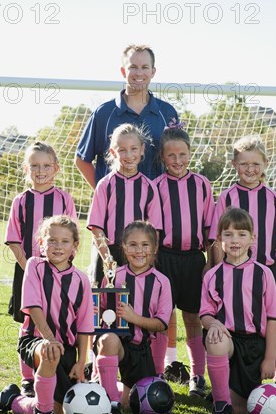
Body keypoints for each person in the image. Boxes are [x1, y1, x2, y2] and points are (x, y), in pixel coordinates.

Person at [0, 215, 94, 414]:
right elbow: (33, 307)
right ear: (41, 243)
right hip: (35, 340)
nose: (58, 246)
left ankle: (13, 400)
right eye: (51, 240)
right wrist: (49, 338)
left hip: (65, 348)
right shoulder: (35, 266)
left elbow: (84, 326)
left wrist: (81, 362)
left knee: (60, 412)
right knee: (50, 353)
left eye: (65, 241)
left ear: (75, 246)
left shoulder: (81, 280)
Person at [208, 135, 276, 394]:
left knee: (273, 325)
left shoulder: (273, 198)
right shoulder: (226, 197)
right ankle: (225, 383)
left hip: (266, 270)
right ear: (234, 164)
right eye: (244, 164)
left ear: (265, 164)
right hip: (232, 271)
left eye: (256, 164)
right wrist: (215, 270)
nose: (250, 169)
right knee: (231, 325)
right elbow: (215, 238)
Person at [4, 141, 77, 397]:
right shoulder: (21, 201)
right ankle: (27, 378)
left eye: (46, 165)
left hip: (60, 274)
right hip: (27, 272)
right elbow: (14, 240)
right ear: (27, 169)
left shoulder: (64, 198)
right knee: (27, 323)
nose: (41, 170)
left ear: (55, 169)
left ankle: (59, 367)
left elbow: (72, 237)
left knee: (57, 319)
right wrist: (31, 270)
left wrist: (61, 268)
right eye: (34, 165)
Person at [200, 208, 276, 414]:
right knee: (215, 338)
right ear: (219, 239)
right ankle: (220, 406)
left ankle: (224, 393)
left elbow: (273, 319)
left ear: (252, 239)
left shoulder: (263, 274)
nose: (235, 240)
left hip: (254, 346)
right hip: (228, 340)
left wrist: (270, 360)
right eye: (228, 234)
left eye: (241, 234)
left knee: (244, 410)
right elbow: (205, 314)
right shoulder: (212, 275)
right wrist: (213, 323)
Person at [153, 124, 215, 395]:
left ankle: (197, 377)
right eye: (171, 155)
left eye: (182, 154)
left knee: (193, 318)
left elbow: (210, 230)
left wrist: (211, 265)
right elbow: (153, 230)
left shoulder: (202, 184)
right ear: (162, 157)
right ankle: (158, 374)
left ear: (190, 153)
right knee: (161, 318)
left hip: (193, 260)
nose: (177, 161)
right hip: (164, 259)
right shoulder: (155, 186)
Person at [95, 220, 173, 414]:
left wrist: (134, 318)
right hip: (118, 346)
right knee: (109, 339)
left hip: (141, 350)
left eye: (145, 245)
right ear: (124, 247)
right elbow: (102, 312)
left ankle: (107, 385)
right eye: (133, 245)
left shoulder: (161, 282)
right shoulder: (113, 277)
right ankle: (110, 405)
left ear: (155, 248)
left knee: (130, 404)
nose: (139, 251)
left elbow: (162, 324)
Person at [75, 44, 179, 187]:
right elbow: (81, 160)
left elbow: (177, 159)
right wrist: (104, 194)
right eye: (133, 67)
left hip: (157, 204)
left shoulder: (167, 113)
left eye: (144, 67)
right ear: (123, 71)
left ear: (153, 72)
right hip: (115, 206)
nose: (139, 73)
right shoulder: (104, 113)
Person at [87, 123, 162, 288]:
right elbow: (96, 227)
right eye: (122, 150)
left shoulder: (149, 187)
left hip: (138, 254)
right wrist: (107, 258)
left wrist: (147, 257)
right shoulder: (105, 185)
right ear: (113, 152)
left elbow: (154, 229)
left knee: (135, 305)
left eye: (134, 149)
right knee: (105, 310)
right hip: (109, 253)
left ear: (142, 149)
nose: (129, 155)